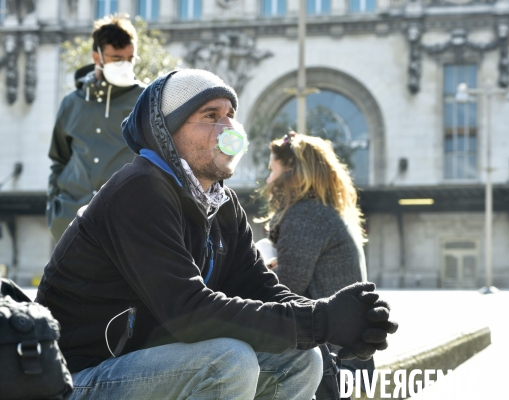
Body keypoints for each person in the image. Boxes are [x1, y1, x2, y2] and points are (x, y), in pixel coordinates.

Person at [36, 69, 397, 400]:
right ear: (169, 131)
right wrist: (318, 321)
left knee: (299, 357)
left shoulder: (221, 204)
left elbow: (262, 287)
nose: (229, 129)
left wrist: (328, 328)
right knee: (228, 361)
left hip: (150, 364)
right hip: (77, 378)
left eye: (230, 116)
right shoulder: (139, 189)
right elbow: (189, 313)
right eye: (211, 116)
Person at [258, 132, 373, 398]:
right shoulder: (325, 212)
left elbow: (284, 293)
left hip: (335, 367)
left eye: (271, 170)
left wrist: (260, 268)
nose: (268, 180)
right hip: (350, 361)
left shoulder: (306, 216)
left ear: (290, 171)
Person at [46, 14, 145, 241]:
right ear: (97, 57)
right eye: (117, 58)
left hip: (127, 225)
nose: (125, 65)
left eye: (130, 58)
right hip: (71, 224)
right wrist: (55, 208)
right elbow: (59, 159)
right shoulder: (71, 103)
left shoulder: (147, 100)